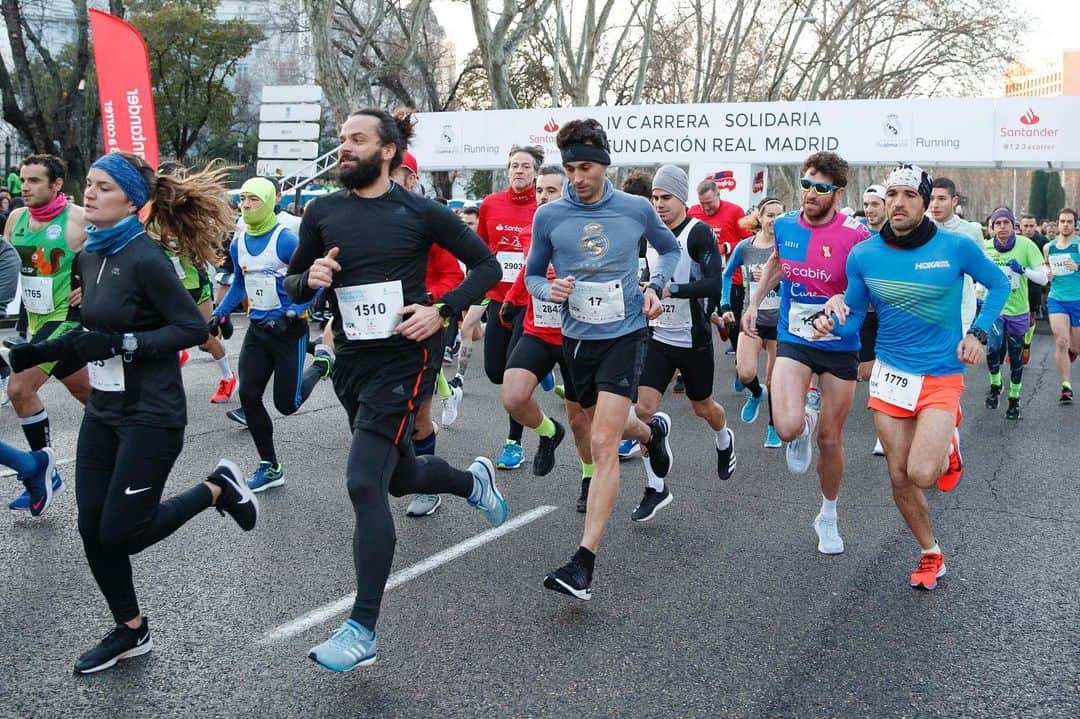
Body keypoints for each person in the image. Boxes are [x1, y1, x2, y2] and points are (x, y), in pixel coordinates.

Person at [8, 152, 258, 673]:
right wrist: (46, 351)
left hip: (152, 413)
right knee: (91, 527)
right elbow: (92, 335)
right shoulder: (90, 255)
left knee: (123, 531)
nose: (89, 194)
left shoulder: (146, 258)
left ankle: (216, 488)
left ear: (132, 202)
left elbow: (192, 329)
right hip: (105, 410)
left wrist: (124, 342)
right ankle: (131, 629)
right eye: (89, 184)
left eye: (102, 186)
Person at [283, 108, 504, 672]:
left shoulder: (419, 210)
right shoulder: (323, 210)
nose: (344, 149)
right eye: (341, 141)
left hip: (406, 359)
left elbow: (486, 267)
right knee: (399, 474)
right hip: (353, 362)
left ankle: (362, 629)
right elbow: (293, 281)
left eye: (356, 140)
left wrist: (442, 311)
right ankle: (469, 481)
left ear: (387, 151)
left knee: (363, 482)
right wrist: (308, 280)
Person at [811, 163, 1010, 591]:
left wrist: (978, 332)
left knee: (922, 473)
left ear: (925, 202)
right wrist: (832, 321)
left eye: (909, 196)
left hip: (940, 372)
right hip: (890, 374)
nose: (897, 204)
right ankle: (930, 552)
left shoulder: (955, 247)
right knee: (899, 476)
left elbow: (999, 287)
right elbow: (854, 318)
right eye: (892, 196)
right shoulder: (864, 255)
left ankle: (947, 443)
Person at [524, 118, 680, 600]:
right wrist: (550, 288)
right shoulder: (548, 216)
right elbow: (532, 276)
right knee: (603, 426)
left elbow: (669, 249)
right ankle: (652, 433)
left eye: (585, 167)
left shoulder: (634, 208)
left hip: (626, 333)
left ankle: (583, 562)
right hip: (576, 338)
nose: (576, 178)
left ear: (604, 164)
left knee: (603, 440)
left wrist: (656, 286)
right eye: (570, 168)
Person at [742, 151, 871, 555]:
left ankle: (828, 516)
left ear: (838, 192)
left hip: (839, 345)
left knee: (832, 440)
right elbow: (777, 266)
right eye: (806, 184)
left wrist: (841, 299)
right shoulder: (783, 225)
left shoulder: (856, 235)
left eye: (820, 188)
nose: (810, 194)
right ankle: (802, 426)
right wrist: (753, 302)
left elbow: (867, 291)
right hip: (794, 338)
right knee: (786, 428)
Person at [209, 177, 333, 490]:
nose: (247, 206)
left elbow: (312, 282)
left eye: (254, 200)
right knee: (249, 396)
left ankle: (321, 365)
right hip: (258, 330)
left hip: (290, 330)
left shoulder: (285, 240)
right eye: (243, 199)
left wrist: (293, 309)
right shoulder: (239, 241)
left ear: (269, 202)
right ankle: (270, 466)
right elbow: (239, 283)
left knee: (286, 405)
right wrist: (219, 313)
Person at [630, 165, 733, 522]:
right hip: (658, 337)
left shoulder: (698, 233)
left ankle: (724, 439)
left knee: (703, 408)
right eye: (655, 198)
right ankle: (656, 487)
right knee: (642, 411)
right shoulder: (646, 234)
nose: (659, 204)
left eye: (666, 198)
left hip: (694, 339)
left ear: (682, 199)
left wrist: (670, 289)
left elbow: (713, 286)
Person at [4, 154, 89, 511]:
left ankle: (43, 471)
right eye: (23, 180)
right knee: (92, 397)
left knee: (19, 387)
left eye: (35, 180)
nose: (25, 187)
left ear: (57, 185)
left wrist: (92, 287)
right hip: (36, 322)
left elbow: (123, 251)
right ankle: (135, 436)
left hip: (66, 320)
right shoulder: (16, 218)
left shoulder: (79, 219)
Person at [501, 164, 593, 494]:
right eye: (539, 190)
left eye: (551, 190)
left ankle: (589, 475)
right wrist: (512, 298)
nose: (542, 197)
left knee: (580, 419)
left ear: (569, 191)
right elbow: (529, 270)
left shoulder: (588, 232)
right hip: (538, 330)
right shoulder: (533, 230)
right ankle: (547, 431)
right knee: (513, 395)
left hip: (577, 337)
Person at [477, 145, 545, 471]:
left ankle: (513, 443)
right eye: (514, 166)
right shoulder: (491, 204)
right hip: (497, 299)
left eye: (525, 166)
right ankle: (540, 374)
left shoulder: (543, 206)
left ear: (535, 172)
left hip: (528, 302)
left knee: (511, 380)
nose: (519, 171)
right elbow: (480, 249)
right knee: (493, 371)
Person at [152, 162, 237, 403]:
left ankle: (228, 377)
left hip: (194, 286)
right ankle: (176, 357)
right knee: (160, 334)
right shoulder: (151, 217)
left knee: (205, 338)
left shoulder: (191, 214)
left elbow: (212, 241)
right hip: (167, 287)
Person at [722, 198, 786, 449]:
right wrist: (726, 306)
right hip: (752, 320)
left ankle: (773, 427)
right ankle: (756, 394)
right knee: (745, 371)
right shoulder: (745, 247)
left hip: (780, 324)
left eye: (779, 215)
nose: (774, 220)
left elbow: (800, 281)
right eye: (769, 215)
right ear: (759, 218)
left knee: (775, 381)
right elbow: (726, 276)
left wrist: (775, 281)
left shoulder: (787, 247)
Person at [981, 207, 1047, 420]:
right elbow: (976, 278)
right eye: (997, 223)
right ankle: (996, 383)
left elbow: (1044, 279)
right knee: (992, 350)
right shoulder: (986, 248)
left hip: (1018, 310)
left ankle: (1014, 399)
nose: (1002, 227)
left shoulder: (1026, 245)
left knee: (1016, 356)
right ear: (992, 227)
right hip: (994, 309)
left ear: (1013, 225)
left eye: (1006, 223)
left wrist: (1023, 270)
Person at [688, 179, 753, 354]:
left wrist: (727, 247)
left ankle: (736, 343)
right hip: (703, 277)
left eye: (709, 203)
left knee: (733, 318)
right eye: (702, 204)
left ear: (718, 195)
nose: (706, 208)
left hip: (730, 277)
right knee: (699, 315)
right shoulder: (693, 212)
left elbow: (749, 241)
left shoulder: (734, 211)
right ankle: (702, 348)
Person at [857, 185, 887, 455]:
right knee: (867, 372)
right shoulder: (858, 234)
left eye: (874, 204)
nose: (869, 209)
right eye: (866, 204)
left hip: (893, 314)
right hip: (866, 312)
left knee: (887, 369)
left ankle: (884, 434)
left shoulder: (897, 235)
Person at [1043, 208, 1080, 403]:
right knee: (1061, 341)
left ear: (1075, 225)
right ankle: (1066, 386)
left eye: (1069, 221)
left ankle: (1073, 352)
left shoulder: (1079, 245)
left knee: (1075, 346)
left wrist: (1078, 267)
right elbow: (1046, 269)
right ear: (1057, 223)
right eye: (1062, 221)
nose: (1065, 225)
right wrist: (1048, 274)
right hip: (1057, 298)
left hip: (1078, 300)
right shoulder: (1049, 247)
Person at [449, 205, 486, 384]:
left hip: (485, 290)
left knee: (465, 331)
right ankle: (491, 327)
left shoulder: (486, 241)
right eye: (464, 223)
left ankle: (459, 378)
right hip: (467, 288)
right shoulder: (458, 241)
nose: (467, 227)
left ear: (480, 223)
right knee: (475, 333)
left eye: (471, 223)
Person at [1019, 213, 1049, 357]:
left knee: (1031, 318)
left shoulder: (1042, 241)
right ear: (1020, 227)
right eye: (1026, 226)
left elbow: (1047, 264)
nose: (1029, 229)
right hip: (1017, 284)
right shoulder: (1015, 240)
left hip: (1034, 285)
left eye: (1032, 226)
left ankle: (1027, 343)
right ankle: (1015, 344)